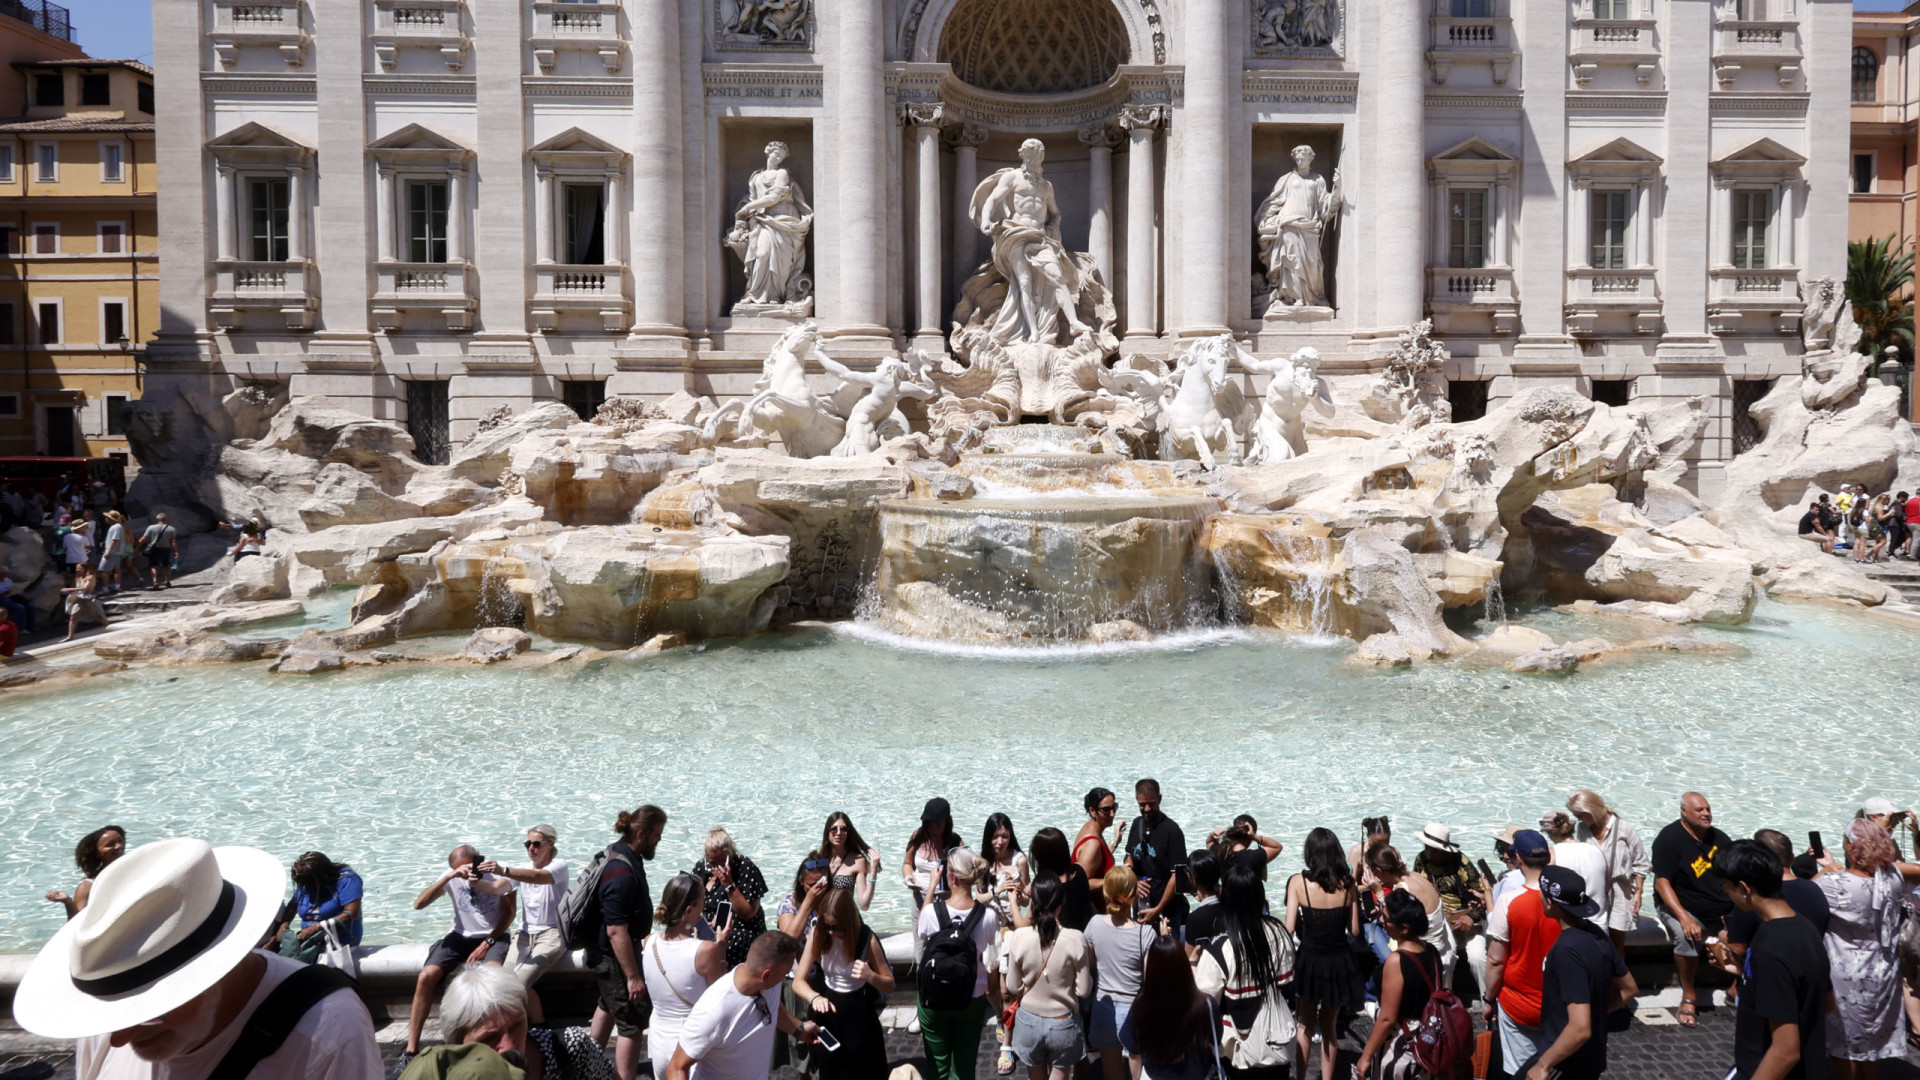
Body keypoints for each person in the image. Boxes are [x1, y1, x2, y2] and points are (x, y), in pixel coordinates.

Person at [16, 837, 381, 1079]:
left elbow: (350, 911)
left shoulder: (330, 1034)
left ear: (219, 966)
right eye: (117, 1011)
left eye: (146, 1012)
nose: (118, 1037)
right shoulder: (109, 1009)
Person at [1718, 840, 1833, 1080]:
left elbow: (1785, 1052)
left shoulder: (1770, 951)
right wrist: (1743, 971)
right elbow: (1826, 1003)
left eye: (1727, 887)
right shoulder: (1805, 928)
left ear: (1744, 888)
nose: (1725, 892)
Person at [1816, 819, 1920, 1078]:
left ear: (1852, 848)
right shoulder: (1895, 877)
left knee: (1844, 1046)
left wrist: (1826, 868)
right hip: (1884, 969)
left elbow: (1794, 894)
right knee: (1871, 1045)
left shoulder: (1834, 884)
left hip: (1845, 972)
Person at [400, 845, 516, 1068]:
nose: (464, 873)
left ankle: (497, 1042)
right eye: (457, 869)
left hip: (493, 935)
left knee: (492, 978)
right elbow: (418, 904)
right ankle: (411, 1049)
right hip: (459, 936)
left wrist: (486, 943)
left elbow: (510, 913)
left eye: (467, 868)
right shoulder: (451, 875)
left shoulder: (496, 873)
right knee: (426, 976)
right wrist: (450, 876)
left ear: (477, 860)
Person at [1516, 866, 1637, 1080]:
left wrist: (1543, 1066)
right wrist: (1594, 1014)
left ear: (1550, 902)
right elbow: (1629, 989)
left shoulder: (1566, 951)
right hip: (1591, 1058)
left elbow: (1580, 1029)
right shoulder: (1596, 934)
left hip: (1565, 1064)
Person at [666, 932, 821, 1080]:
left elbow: (772, 1007)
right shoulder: (713, 1011)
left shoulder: (769, 984)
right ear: (766, 975)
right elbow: (676, 1067)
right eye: (786, 972)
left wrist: (798, 1029)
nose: (787, 976)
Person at [1197, 862, 1298, 1079]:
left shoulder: (1220, 949)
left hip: (1239, 1054)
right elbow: (1288, 987)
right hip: (1279, 1044)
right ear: (1260, 895)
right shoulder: (1280, 933)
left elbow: (1204, 1005)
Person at [434, 963, 615, 1080]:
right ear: (458, 1044)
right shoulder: (443, 1074)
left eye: (517, 1025)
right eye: (489, 1037)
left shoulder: (571, 1047)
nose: (509, 1045)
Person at [915, 846, 1002, 1080]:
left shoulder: (933, 912)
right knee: (964, 1068)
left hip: (934, 998)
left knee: (937, 1066)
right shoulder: (989, 917)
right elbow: (991, 955)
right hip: (971, 997)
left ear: (951, 876)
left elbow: (920, 929)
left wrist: (932, 886)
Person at [594, 804, 666, 1080]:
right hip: (614, 957)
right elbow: (615, 930)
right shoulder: (621, 873)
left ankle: (588, 1065)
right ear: (640, 833)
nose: (659, 840)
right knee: (631, 1024)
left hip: (606, 955)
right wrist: (633, 976)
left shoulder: (619, 853)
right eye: (656, 834)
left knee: (607, 1005)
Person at [791, 887, 894, 1080]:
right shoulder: (818, 934)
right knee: (830, 1071)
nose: (830, 932)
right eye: (826, 926)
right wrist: (814, 997)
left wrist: (870, 976)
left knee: (860, 1072)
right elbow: (798, 981)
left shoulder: (866, 939)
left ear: (848, 922)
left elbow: (889, 984)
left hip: (858, 1012)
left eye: (836, 927)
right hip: (829, 1010)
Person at [1651, 791, 1734, 1028]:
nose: (1706, 814)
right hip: (1682, 905)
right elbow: (1661, 882)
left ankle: (1736, 987)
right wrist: (1685, 917)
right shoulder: (1669, 839)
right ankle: (1689, 994)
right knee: (1685, 937)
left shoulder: (1720, 838)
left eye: (1707, 809)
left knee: (1756, 929)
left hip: (1720, 907)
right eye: (1699, 810)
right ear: (1684, 812)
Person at [1285, 828, 1360, 1080]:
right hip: (1339, 961)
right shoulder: (1349, 885)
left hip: (1310, 960)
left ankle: (1302, 1076)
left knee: (1305, 1025)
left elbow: (1290, 927)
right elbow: (1355, 930)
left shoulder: (1298, 882)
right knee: (1329, 1026)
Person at [1002, 876, 1094, 1080]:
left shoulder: (1020, 936)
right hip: (1063, 1022)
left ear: (1032, 902)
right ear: (1061, 904)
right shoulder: (1075, 939)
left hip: (1028, 1021)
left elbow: (1012, 986)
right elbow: (1084, 991)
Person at [643, 873, 732, 1080]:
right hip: (690, 1046)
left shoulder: (649, 942)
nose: (704, 909)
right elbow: (722, 998)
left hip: (659, 1042)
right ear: (689, 910)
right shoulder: (706, 951)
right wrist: (721, 947)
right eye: (702, 903)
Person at [1485, 830, 1558, 1077]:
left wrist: (1488, 999)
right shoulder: (1564, 900)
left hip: (1519, 1004)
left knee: (1520, 1069)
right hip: (1560, 1004)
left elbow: (1496, 961)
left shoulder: (1508, 901)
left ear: (1519, 859)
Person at [479, 825, 571, 1014]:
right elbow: (495, 888)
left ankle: (517, 1033)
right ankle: (530, 1027)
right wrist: (475, 881)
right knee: (502, 983)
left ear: (550, 844)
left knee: (518, 985)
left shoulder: (559, 866)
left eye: (536, 844)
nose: (531, 848)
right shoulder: (521, 869)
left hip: (552, 934)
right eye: (528, 844)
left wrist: (504, 869)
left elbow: (538, 877)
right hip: (525, 934)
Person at [1355, 889, 1442, 1080]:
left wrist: (1366, 1056)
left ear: (1404, 928)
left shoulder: (1397, 961)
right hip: (1428, 1036)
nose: (1381, 922)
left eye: (1386, 919)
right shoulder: (1432, 952)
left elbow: (1388, 1017)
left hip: (1403, 1041)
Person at [1085, 866, 1155, 1080]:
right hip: (1133, 1010)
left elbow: (1091, 962)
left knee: (1111, 1074)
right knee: (1139, 1072)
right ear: (1133, 896)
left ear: (1106, 893)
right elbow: (1148, 978)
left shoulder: (1094, 924)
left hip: (1103, 1006)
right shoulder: (1145, 933)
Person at [1119, 935, 1219, 1080]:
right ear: (1184, 966)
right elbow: (1215, 1039)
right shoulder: (1206, 1004)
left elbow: (1134, 1053)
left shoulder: (1141, 1005)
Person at [1568, 790, 1650, 957]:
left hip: (1620, 891)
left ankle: (1617, 980)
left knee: (1617, 942)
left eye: (1580, 815)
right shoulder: (1583, 829)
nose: (1579, 819)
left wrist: (1638, 893)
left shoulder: (1624, 829)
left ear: (1591, 810)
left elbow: (1641, 862)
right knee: (1594, 938)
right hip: (1593, 889)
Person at [264, 852, 364, 967]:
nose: (304, 887)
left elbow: (352, 913)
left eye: (306, 884)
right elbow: (292, 907)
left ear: (322, 877)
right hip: (309, 939)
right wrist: (283, 926)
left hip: (338, 939)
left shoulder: (347, 880)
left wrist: (316, 927)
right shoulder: (306, 881)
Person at [692, 827, 768, 969]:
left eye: (721, 861)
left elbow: (748, 914)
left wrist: (729, 885)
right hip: (707, 932)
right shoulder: (702, 867)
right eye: (711, 862)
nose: (716, 867)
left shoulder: (744, 867)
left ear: (729, 854)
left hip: (739, 934)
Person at [1411, 823, 1480, 981]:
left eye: (1434, 849)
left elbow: (1481, 894)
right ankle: (1442, 999)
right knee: (1443, 959)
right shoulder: (1421, 859)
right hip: (1438, 920)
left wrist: (1472, 916)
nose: (1430, 852)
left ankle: (1487, 1000)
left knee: (1478, 959)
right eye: (1427, 847)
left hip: (1466, 920)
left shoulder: (1461, 862)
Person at [1125, 778, 1189, 935]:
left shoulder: (1172, 832)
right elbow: (1129, 856)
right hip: (1142, 905)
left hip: (1167, 910)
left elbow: (1177, 876)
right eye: (1142, 804)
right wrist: (1134, 879)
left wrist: (1158, 909)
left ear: (1159, 799)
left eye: (1151, 803)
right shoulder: (1136, 824)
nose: (1147, 809)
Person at [1541, 810, 1611, 931]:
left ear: (1549, 833)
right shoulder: (1596, 850)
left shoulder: (1552, 855)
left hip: (1570, 927)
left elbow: (1546, 895)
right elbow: (1607, 885)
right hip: (1600, 924)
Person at [44, 824, 127, 918]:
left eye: (120, 840)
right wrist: (68, 902)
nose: (119, 846)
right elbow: (77, 924)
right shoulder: (88, 887)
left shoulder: (138, 867)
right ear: (96, 853)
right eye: (110, 845)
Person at [1029, 826, 1095, 932]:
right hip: (1085, 932)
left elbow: (1031, 920)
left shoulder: (1047, 885)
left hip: (1060, 938)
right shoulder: (1079, 871)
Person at [906, 797, 964, 910]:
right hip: (919, 898)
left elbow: (965, 875)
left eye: (938, 826)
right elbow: (907, 863)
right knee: (919, 928)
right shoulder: (918, 836)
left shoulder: (955, 843)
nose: (933, 830)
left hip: (946, 900)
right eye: (929, 825)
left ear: (946, 824)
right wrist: (909, 878)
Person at [1075, 787, 1126, 911]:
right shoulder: (1092, 843)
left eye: (1114, 808)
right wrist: (1116, 877)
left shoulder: (1090, 828)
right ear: (1092, 811)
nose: (1112, 814)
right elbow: (1081, 883)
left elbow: (1099, 859)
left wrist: (1115, 841)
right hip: (1093, 915)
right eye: (1106, 810)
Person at [819, 811, 877, 910]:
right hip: (823, 918)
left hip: (846, 918)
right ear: (827, 832)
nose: (838, 833)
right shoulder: (819, 859)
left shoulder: (857, 860)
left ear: (848, 833)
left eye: (843, 829)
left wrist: (873, 871)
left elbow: (864, 905)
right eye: (834, 829)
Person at [1183, 849, 1226, 949]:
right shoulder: (1233, 906)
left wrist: (1165, 937)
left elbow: (1189, 960)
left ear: (1193, 879)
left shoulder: (1194, 919)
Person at [61, 562, 109, 641]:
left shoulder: (90, 577)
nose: (77, 570)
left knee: (99, 617)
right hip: (79, 600)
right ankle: (70, 636)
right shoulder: (78, 577)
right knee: (73, 617)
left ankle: (110, 628)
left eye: (79, 568)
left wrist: (69, 589)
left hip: (89, 600)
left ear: (85, 568)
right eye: (77, 568)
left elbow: (84, 588)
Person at [136, 512, 179, 589]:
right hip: (166, 549)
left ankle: (155, 581)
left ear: (157, 519)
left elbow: (143, 539)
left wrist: (136, 548)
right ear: (165, 520)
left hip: (154, 549)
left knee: (153, 566)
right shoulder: (171, 529)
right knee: (166, 565)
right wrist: (176, 551)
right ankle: (167, 581)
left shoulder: (151, 528)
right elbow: (173, 541)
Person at [97, 510, 128, 594]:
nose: (106, 519)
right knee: (117, 569)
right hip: (117, 552)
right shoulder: (118, 526)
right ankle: (117, 586)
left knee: (104, 570)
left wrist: (108, 551)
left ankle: (105, 588)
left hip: (112, 552)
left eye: (107, 517)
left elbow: (115, 540)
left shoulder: (115, 527)